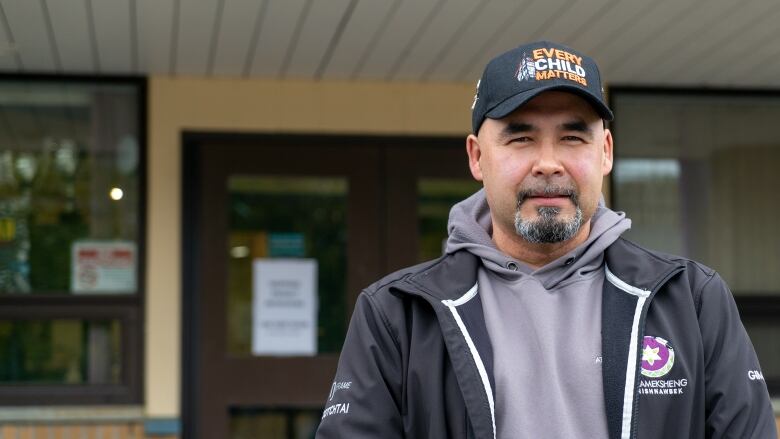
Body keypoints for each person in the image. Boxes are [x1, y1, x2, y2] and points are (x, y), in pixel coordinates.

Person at [315, 41, 777, 439]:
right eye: (521, 138)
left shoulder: (691, 301)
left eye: (573, 136)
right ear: (477, 157)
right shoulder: (399, 313)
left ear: (606, 153)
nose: (549, 163)